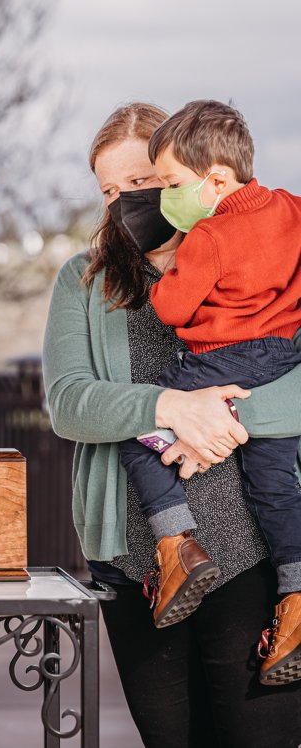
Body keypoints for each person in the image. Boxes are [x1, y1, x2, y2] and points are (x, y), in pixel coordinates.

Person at [42, 102, 301, 748]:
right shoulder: (83, 280)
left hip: (250, 551)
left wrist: (230, 417)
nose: (122, 203)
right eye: (107, 191)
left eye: (137, 185)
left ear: (175, 176)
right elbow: (69, 400)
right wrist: (168, 409)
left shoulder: (253, 262)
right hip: (138, 565)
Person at [115, 100, 301, 687]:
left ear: (216, 180)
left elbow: (171, 307)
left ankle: (176, 548)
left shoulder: (211, 234)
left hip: (218, 359)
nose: (165, 197)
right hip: (284, 355)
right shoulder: (293, 209)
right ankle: (296, 601)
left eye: (169, 184)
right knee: (275, 484)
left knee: (139, 434)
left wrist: (179, 258)